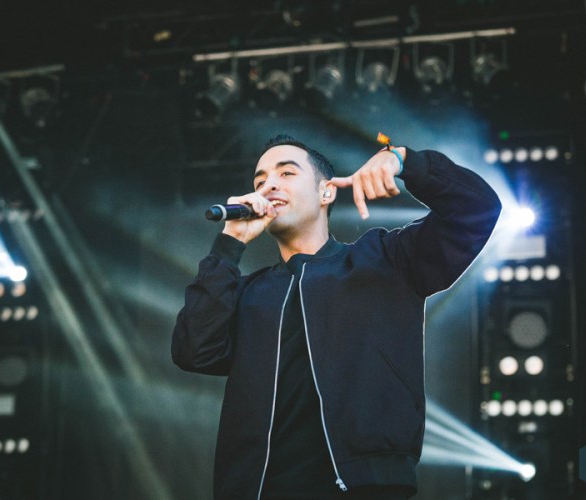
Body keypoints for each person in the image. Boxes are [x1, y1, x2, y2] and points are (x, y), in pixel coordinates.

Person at [172, 133, 502, 499]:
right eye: (260, 180)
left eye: (286, 173)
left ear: (326, 192)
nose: (269, 185)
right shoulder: (250, 293)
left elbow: (476, 210)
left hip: (364, 485)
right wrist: (229, 243)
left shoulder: (384, 259)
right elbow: (194, 351)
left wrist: (406, 161)